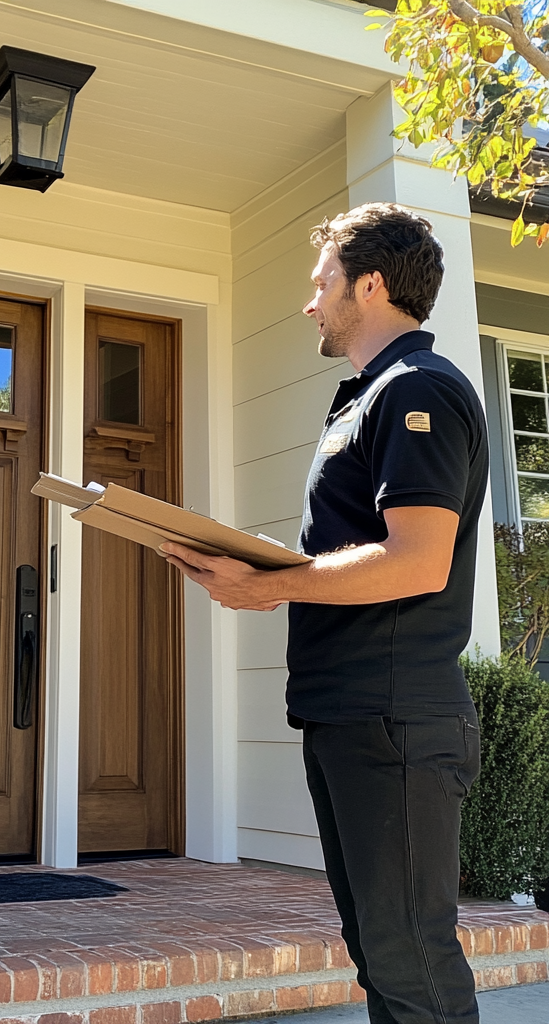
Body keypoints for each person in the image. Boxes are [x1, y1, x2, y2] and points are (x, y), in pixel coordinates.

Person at [164, 203, 488, 1024]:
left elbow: (419, 559)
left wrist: (274, 584)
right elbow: (361, 549)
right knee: (383, 953)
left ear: (370, 285)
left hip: (396, 720)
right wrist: (266, 564)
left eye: (323, 284)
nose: (311, 303)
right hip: (350, 717)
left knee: (412, 957)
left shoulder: (419, 390)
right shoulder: (368, 397)